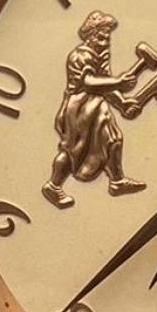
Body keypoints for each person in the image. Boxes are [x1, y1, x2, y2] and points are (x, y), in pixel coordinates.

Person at [42, 11, 148, 209]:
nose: (104, 41)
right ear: (90, 35)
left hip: (98, 107)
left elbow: (105, 85)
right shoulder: (79, 56)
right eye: (101, 37)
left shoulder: (102, 55)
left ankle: (117, 181)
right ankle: (53, 186)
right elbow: (89, 83)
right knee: (73, 150)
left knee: (113, 139)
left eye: (107, 37)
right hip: (79, 108)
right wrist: (119, 82)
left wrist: (122, 102)